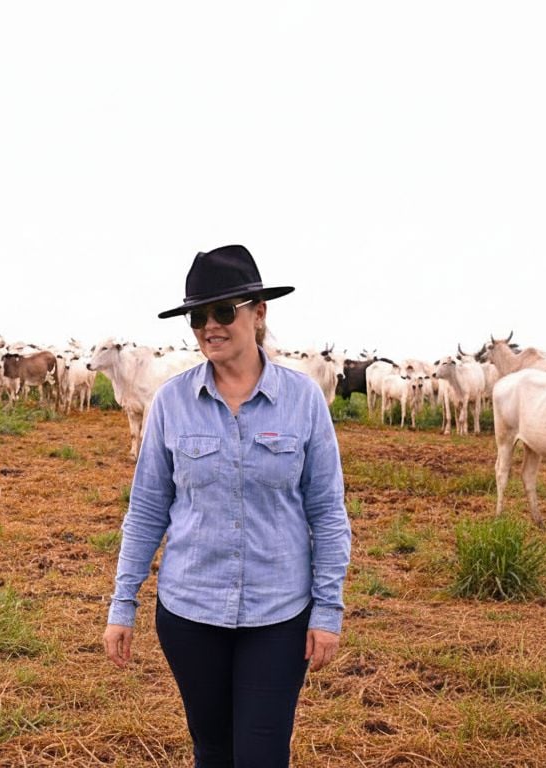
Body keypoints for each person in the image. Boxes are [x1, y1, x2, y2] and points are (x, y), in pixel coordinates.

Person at [102, 244, 351, 768]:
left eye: (222, 312)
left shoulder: (303, 400)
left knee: (261, 755)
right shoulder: (170, 402)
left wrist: (327, 609)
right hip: (190, 611)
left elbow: (327, 511)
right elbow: (147, 508)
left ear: (258, 313)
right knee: (213, 750)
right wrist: (123, 601)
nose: (209, 326)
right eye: (198, 316)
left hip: (278, 613)